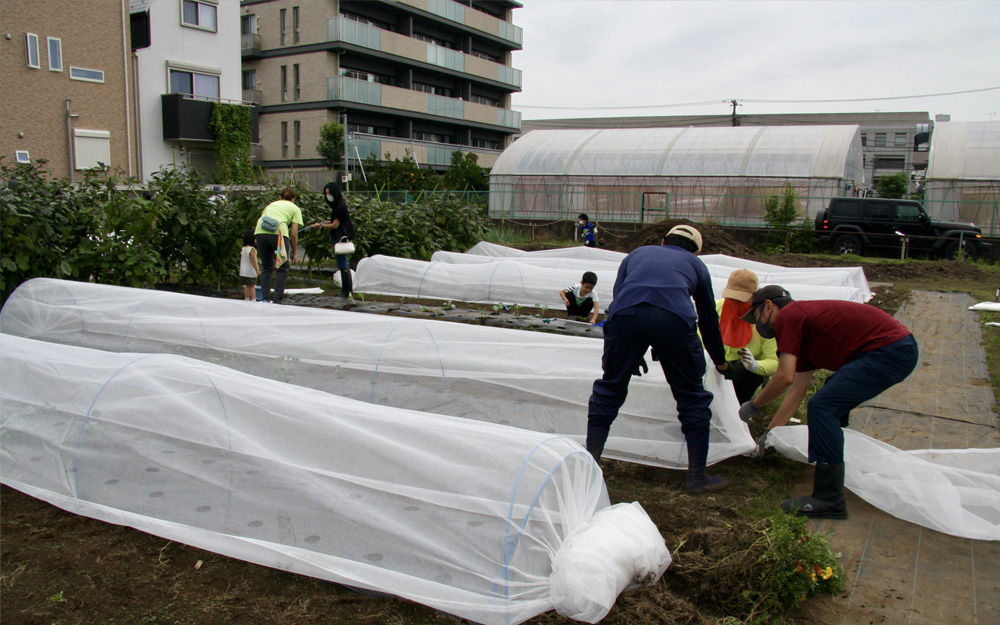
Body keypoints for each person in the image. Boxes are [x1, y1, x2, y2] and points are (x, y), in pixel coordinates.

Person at [738, 286, 919, 519]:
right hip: (894, 349)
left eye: (756, 316)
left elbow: (783, 377)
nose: (758, 324)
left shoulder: (789, 315)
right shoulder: (802, 329)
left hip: (888, 350)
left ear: (769, 306)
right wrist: (770, 435)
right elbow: (796, 389)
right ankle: (836, 459)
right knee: (829, 400)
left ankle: (829, 498)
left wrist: (753, 405)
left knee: (823, 406)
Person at [586, 225, 734, 493]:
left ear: (663, 241)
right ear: (698, 251)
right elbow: (709, 320)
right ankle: (697, 477)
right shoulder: (697, 266)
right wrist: (721, 361)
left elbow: (619, 300)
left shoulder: (637, 254)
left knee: (610, 388)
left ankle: (591, 466)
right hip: (674, 319)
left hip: (626, 318)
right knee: (691, 395)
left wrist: (629, 352)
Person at [714, 269, 778, 404]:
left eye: (741, 299)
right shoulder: (716, 308)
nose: (735, 303)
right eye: (731, 298)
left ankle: (738, 408)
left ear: (754, 296)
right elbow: (700, 341)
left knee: (741, 374)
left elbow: (774, 361)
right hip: (716, 364)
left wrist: (754, 366)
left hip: (743, 371)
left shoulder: (764, 318)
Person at [255, 188, 303, 304]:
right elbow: (294, 234)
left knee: (266, 267)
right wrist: (294, 253)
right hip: (279, 234)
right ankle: (277, 300)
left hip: (260, 232)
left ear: (280, 197)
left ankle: (264, 298)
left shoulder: (270, 205)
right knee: (282, 267)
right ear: (294, 198)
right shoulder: (295, 208)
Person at [312, 182, 355, 298]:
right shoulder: (338, 205)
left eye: (329, 193)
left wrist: (320, 226)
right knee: (342, 262)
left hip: (339, 237)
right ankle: (347, 290)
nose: (328, 195)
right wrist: (326, 222)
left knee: (342, 263)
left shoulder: (339, 206)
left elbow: (335, 225)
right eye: (326, 193)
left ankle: (346, 290)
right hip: (339, 235)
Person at [239, 229, 260, 301]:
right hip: (250, 272)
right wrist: (257, 270)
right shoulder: (252, 249)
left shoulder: (244, 249)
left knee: (247, 286)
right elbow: (253, 260)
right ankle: (253, 299)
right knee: (252, 286)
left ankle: (246, 298)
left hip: (243, 272)